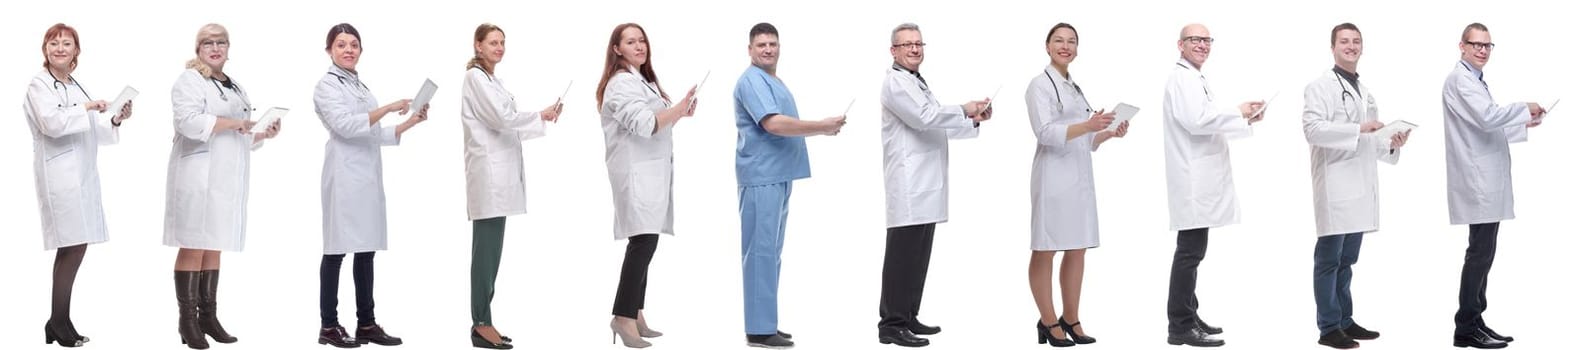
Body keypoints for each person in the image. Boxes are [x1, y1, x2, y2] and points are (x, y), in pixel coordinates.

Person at [164, 23, 281, 350]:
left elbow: (239, 134)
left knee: (214, 242)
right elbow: (187, 122)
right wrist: (234, 123)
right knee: (193, 243)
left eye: (221, 42)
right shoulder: (189, 80)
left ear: (229, 48)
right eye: (207, 43)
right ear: (198, 49)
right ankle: (187, 321)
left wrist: (261, 133)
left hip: (225, 176)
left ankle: (208, 317)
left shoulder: (234, 86)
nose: (215, 48)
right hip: (197, 174)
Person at [876, 22, 992, 348]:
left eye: (919, 43)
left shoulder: (916, 82)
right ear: (893, 51)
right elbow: (926, 118)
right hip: (909, 184)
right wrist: (964, 108)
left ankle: (908, 315)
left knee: (918, 255)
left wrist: (973, 119)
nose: (915, 49)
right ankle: (891, 325)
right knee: (902, 256)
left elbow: (935, 122)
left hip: (926, 183)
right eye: (907, 45)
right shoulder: (895, 84)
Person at [732, 22, 846, 349]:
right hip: (761, 176)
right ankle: (757, 329)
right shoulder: (751, 81)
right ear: (750, 49)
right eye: (761, 45)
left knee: (771, 253)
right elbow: (773, 123)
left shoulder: (770, 79)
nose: (768, 49)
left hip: (778, 174)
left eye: (773, 44)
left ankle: (766, 323)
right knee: (760, 252)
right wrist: (821, 127)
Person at [314, 22, 427, 348]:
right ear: (329, 51)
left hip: (366, 177)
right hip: (344, 176)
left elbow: (372, 132)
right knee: (336, 250)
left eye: (354, 45)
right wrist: (390, 107)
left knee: (366, 251)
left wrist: (409, 122)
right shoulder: (326, 87)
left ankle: (366, 323)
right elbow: (347, 126)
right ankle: (329, 325)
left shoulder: (361, 87)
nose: (348, 49)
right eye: (341, 45)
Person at [1300, 22, 1410, 350]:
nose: (1351, 46)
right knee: (1329, 260)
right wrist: (1358, 127)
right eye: (1345, 41)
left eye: (1356, 41)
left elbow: (1371, 141)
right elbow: (1312, 129)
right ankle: (1329, 327)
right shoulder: (1319, 86)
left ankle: (1345, 320)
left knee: (1348, 261)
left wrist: (1392, 141)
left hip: (1360, 188)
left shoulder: (1365, 91)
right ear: (1332, 47)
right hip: (1335, 187)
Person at [25, 22, 133, 348]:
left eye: (67, 44)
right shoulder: (39, 85)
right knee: (71, 246)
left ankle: (60, 320)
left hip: (82, 177)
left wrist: (114, 117)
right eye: (54, 43)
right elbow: (53, 123)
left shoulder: (74, 85)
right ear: (45, 49)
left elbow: (89, 129)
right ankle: (58, 321)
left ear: (76, 51)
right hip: (59, 177)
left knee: (76, 245)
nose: (60, 48)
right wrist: (87, 107)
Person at [459, 23, 563, 350]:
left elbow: (509, 124)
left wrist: (542, 118)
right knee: (486, 254)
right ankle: (480, 322)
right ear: (478, 45)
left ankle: (485, 320)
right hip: (489, 178)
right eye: (493, 42)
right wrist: (538, 113)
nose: (499, 47)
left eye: (503, 42)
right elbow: (503, 119)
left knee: (492, 254)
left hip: (499, 178)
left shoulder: (491, 80)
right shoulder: (475, 78)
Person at [1161, 23, 1265, 348]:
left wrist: (1244, 118)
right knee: (1189, 253)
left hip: (1200, 180)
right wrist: (1237, 111)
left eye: (1207, 40)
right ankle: (1179, 325)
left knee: (1195, 251)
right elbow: (1198, 121)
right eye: (1196, 39)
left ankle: (1189, 314)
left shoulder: (1195, 77)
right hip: (1192, 181)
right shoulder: (1182, 78)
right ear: (1180, 44)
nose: (1203, 44)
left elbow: (1207, 119)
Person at [1442, 22, 1545, 350]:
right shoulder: (1460, 80)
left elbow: (1486, 125)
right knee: (1479, 253)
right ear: (1462, 46)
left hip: (1485, 179)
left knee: (1484, 253)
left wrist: (1522, 122)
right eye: (1476, 45)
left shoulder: (1475, 80)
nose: (1482, 50)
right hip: (1477, 181)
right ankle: (1466, 327)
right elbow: (1488, 118)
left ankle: (1475, 320)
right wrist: (1522, 107)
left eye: (1487, 45)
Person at [1024, 22, 1127, 348]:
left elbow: (1086, 139)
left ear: (1077, 49)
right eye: (1059, 41)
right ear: (1047, 46)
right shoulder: (1039, 86)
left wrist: (1107, 131)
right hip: (1053, 177)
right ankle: (1048, 320)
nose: (1065, 46)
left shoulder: (1074, 87)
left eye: (1071, 42)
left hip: (1078, 177)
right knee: (1046, 247)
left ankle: (1072, 317)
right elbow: (1046, 132)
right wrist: (1087, 124)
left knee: (1077, 246)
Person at [596, 22, 696, 349]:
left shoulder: (642, 81)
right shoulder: (621, 84)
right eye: (630, 42)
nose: (639, 46)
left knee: (646, 242)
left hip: (649, 172)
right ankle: (622, 317)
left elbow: (656, 119)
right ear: (617, 49)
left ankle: (635, 313)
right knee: (642, 243)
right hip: (635, 174)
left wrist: (680, 112)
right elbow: (644, 124)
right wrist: (677, 110)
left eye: (642, 40)